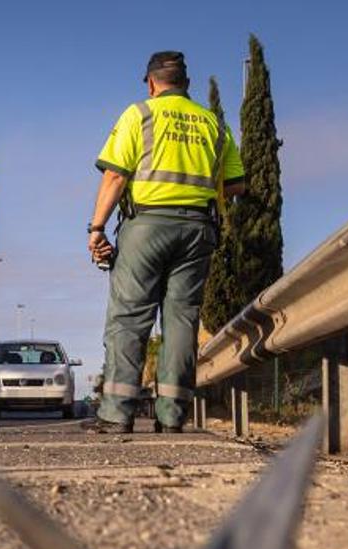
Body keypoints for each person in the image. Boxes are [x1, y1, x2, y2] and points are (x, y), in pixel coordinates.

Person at [84, 51, 245, 434]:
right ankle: (172, 415)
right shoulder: (213, 124)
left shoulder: (139, 114)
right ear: (186, 85)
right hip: (197, 231)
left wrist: (96, 228)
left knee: (129, 318)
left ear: (152, 83)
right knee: (182, 321)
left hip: (147, 226)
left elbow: (115, 177)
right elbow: (236, 184)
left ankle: (117, 414)